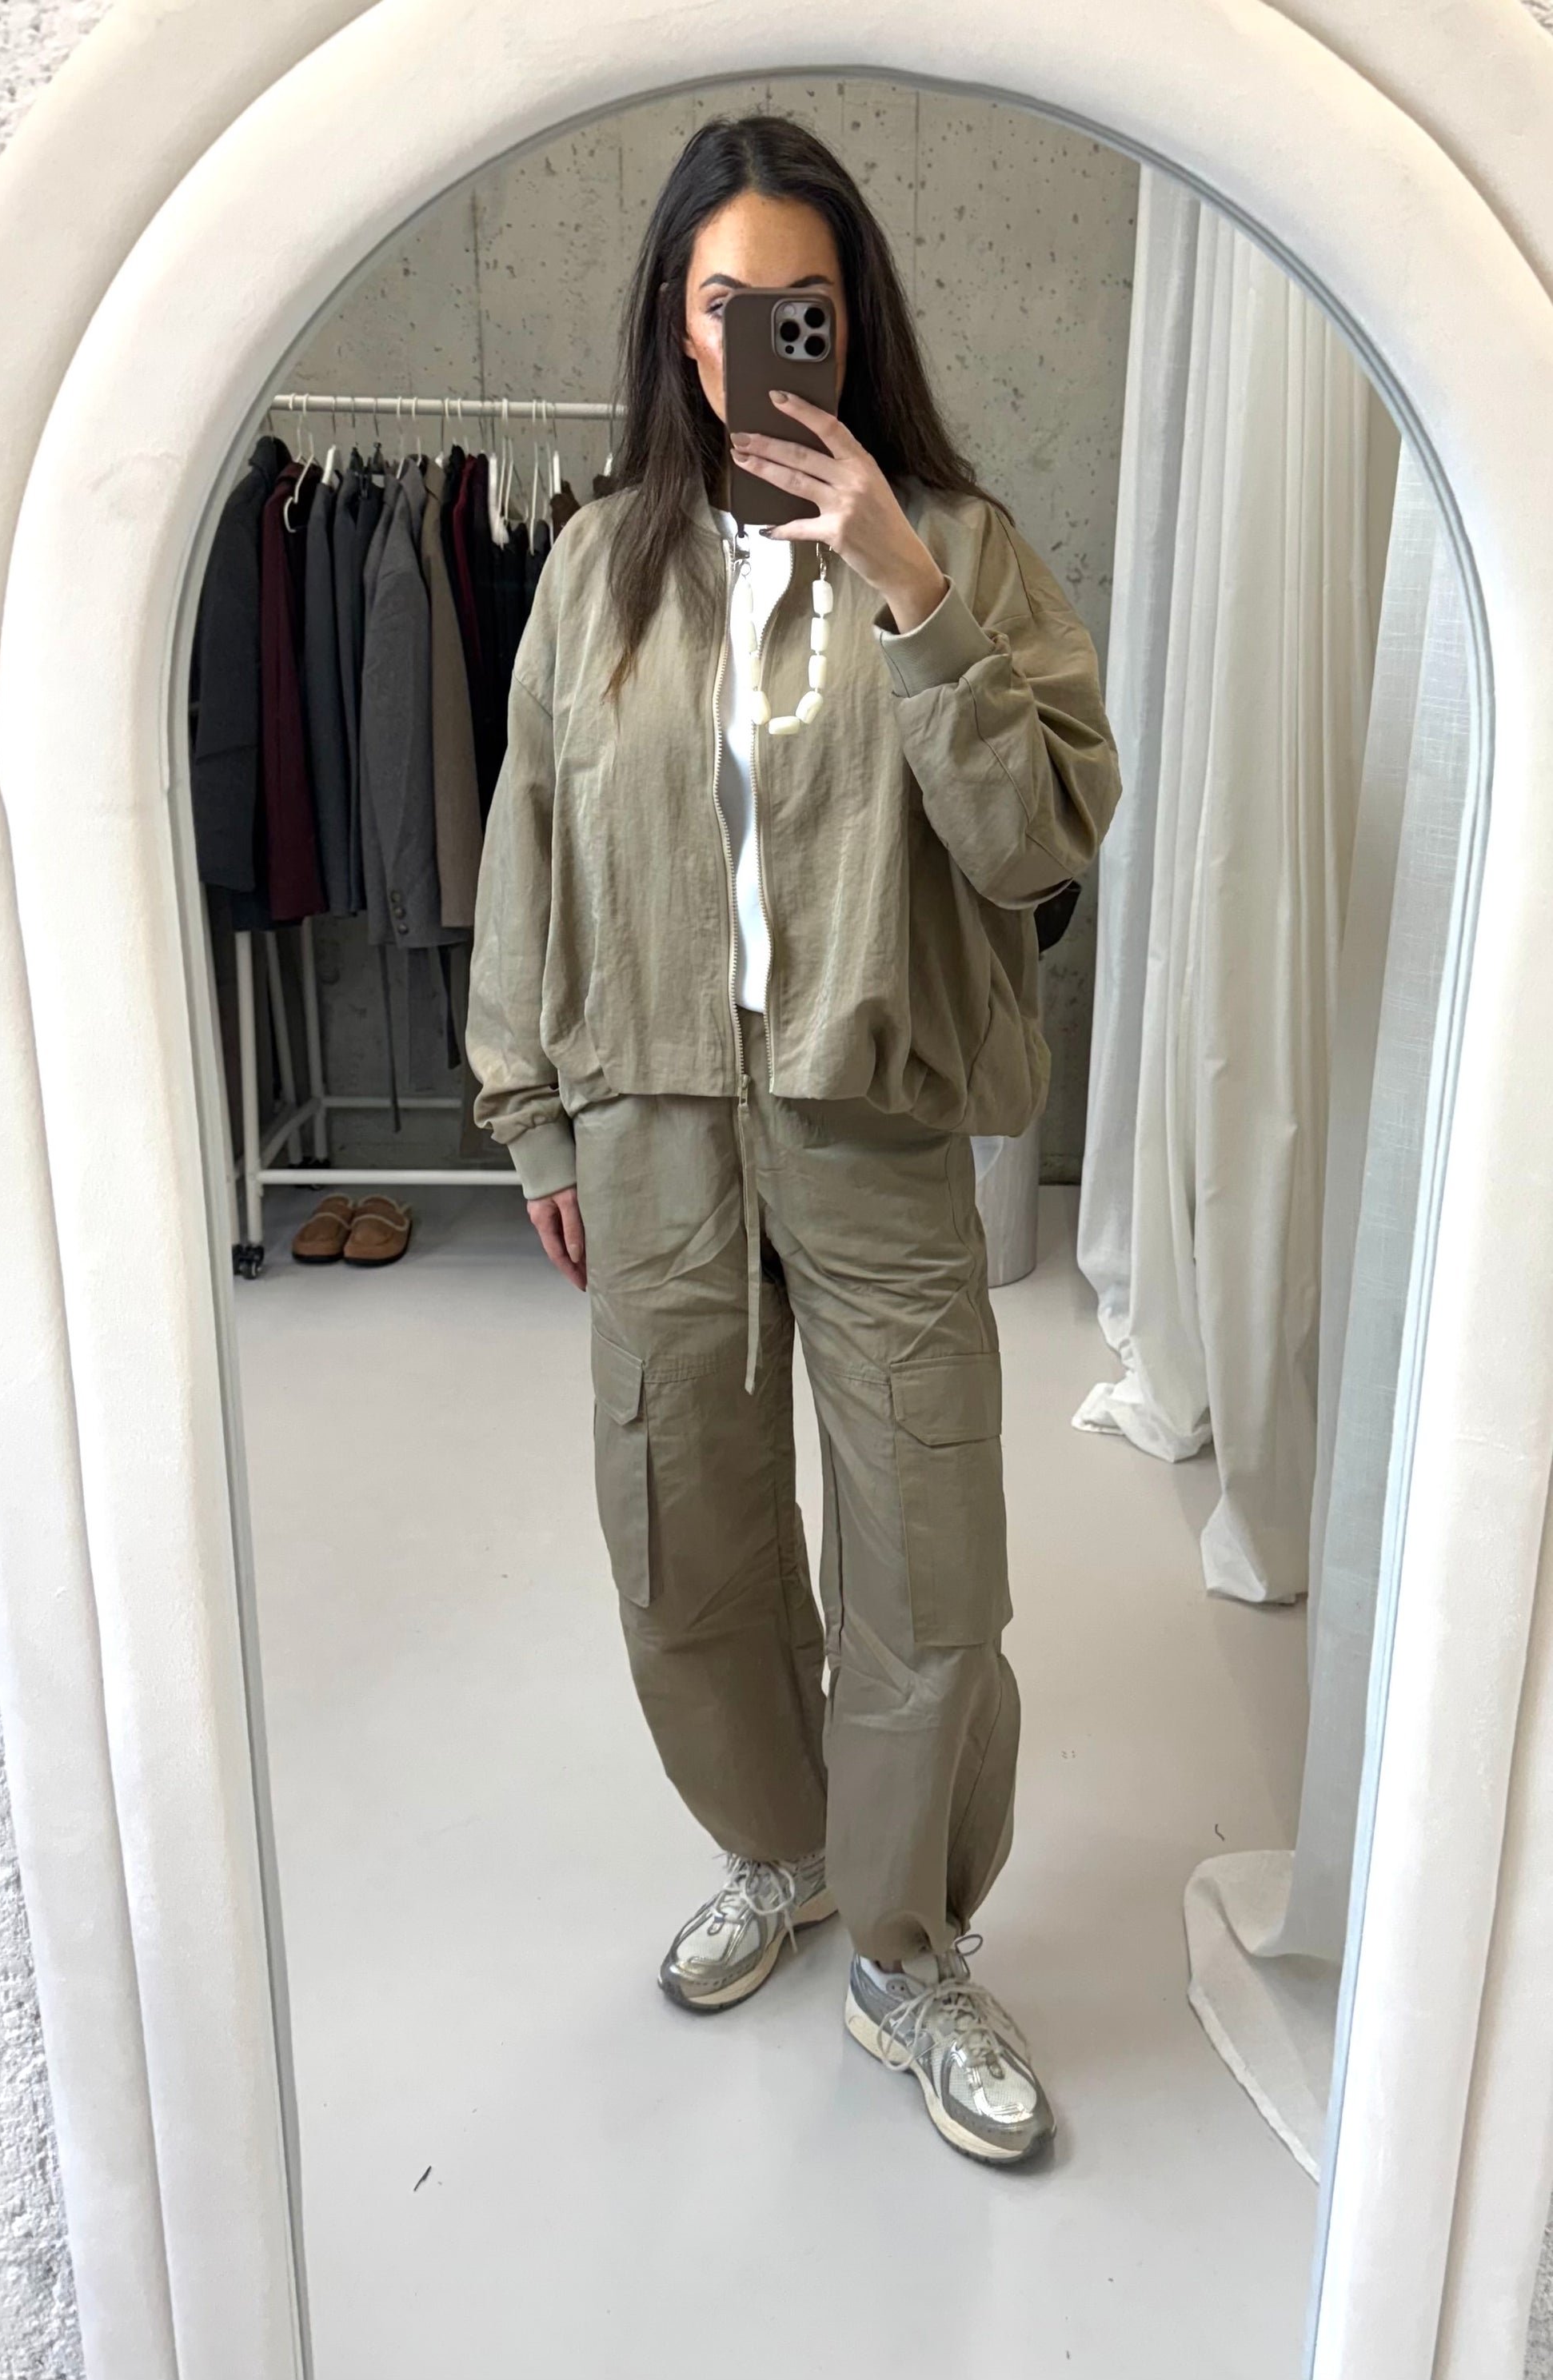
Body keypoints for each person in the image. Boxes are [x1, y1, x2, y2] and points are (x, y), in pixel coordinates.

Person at [466, 113, 1122, 2167]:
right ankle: (784, 1845)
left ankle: (908, 1945)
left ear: (854, 322)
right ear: (678, 328)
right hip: (653, 1122)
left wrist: (910, 592)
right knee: (684, 1534)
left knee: (930, 1557)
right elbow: (529, 849)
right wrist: (532, 1119)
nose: (762, 339)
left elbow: (1036, 844)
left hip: (871, 1118)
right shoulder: (594, 566)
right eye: (723, 302)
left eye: (801, 306)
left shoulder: (963, 546)